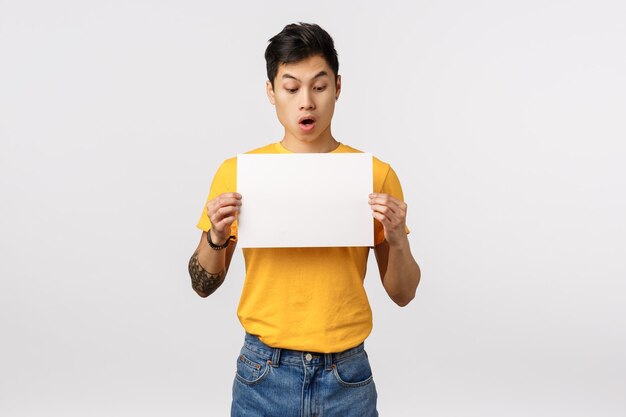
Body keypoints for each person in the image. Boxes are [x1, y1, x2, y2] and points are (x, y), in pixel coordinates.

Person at [188, 22, 421, 417]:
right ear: (271, 92)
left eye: (319, 85)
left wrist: (397, 237)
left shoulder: (374, 174)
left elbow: (403, 293)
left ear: (339, 87)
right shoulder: (239, 173)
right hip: (264, 372)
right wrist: (216, 234)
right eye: (291, 88)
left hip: (346, 375)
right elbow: (202, 285)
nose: (306, 102)